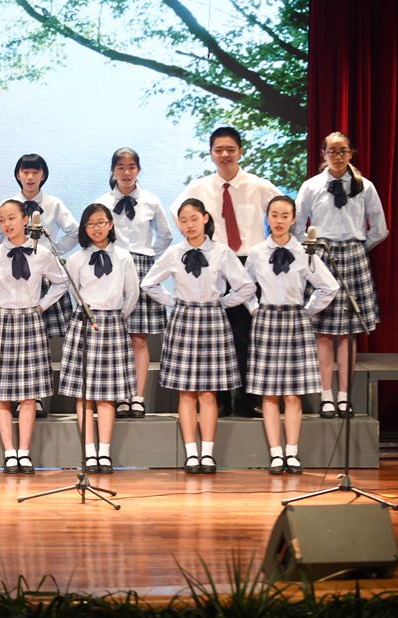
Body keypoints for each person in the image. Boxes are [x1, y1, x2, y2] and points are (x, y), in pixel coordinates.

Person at [170, 128, 280, 417]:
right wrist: (196, 240)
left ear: (240, 151)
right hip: (215, 263)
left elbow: (283, 210)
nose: (225, 155)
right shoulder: (200, 187)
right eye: (218, 149)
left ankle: (247, 399)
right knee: (215, 336)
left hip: (249, 263)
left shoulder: (259, 185)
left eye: (230, 149)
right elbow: (176, 211)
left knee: (248, 334)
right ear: (211, 153)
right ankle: (219, 399)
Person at [142, 199, 255, 474]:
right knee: (187, 391)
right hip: (184, 318)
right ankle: (191, 453)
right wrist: (173, 301)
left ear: (205, 218)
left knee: (208, 392)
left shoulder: (221, 252)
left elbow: (246, 286)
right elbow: (148, 283)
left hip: (213, 319)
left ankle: (208, 453)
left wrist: (223, 303)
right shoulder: (174, 253)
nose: (189, 225)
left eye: (194, 218)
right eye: (183, 220)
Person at [0, 199, 67, 475]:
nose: (6, 224)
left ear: (25, 220)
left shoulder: (42, 252)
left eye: (11, 218)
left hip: (31, 320)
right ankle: (10, 452)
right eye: (2, 219)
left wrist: (42, 305)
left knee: (29, 393)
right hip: (4, 320)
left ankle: (24, 452)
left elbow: (61, 282)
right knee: (2, 393)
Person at [295, 131, 388, 418]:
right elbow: (297, 228)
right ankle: (326, 395)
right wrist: (312, 252)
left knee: (348, 332)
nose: (337, 156)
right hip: (321, 255)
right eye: (332, 151)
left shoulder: (365, 186)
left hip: (353, 255)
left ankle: (345, 397)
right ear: (323, 154)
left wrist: (357, 249)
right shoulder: (311, 186)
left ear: (351, 153)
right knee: (323, 331)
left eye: (343, 151)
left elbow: (380, 229)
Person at [245, 197, 338, 475]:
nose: (279, 220)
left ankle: (292, 453)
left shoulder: (305, 252)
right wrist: (254, 308)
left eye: (285, 215)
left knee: (292, 394)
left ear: (294, 219)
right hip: (267, 320)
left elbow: (329, 287)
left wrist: (307, 311)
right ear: (268, 217)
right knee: (269, 394)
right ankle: (276, 454)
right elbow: (244, 286)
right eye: (274, 214)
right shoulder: (257, 252)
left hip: (295, 319)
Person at [0, 153, 77, 418]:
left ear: (43, 175)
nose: (30, 177)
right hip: (17, 274)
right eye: (25, 172)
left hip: (43, 273)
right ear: (18, 174)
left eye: (35, 172)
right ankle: (16, 393)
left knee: (39, 336)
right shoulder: (9, 204)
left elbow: (73, 230)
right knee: (16, 340)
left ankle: (33, 396)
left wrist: (53, 251)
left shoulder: (53, 203)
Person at [59, 204, 139, 474]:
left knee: (107, 395)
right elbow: (73, 293)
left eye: (101, 222)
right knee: (84, 395)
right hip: (84, 322)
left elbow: (132, 293)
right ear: (84, 228)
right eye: (90, 224)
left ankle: (104, 452)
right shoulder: (76, 259)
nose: (96, 228)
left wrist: (116, 317)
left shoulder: (124, 257)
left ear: (110, 224)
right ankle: (89, 452)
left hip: (113, 322)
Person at [95, 147, 172, 418]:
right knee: (115, 337)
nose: (126, 172)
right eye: (121, 167)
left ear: (138, 170)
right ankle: (118, 395)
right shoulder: (102, 202)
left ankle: (137, 397)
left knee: (138, 338)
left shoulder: (150, 200)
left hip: (141, 267)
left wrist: (148, 257)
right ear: (113, 170)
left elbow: (165, 236)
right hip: (112, 267)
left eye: (131, 167)